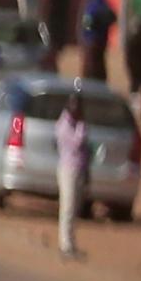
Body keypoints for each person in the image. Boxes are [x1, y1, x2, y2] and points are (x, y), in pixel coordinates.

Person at [52, 93, 88, 259]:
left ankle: (71, 243)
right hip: (68, 169)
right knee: (67, 207)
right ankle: (65, 244)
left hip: (78, 168)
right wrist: (81, 126)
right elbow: (76, 142)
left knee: (74, 209)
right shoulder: (64, 125)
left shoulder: (75, 123)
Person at [77, 0, 116, 81]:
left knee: (89, 69)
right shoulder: (104, 5)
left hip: (91, 42)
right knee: (100, 69)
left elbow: (86, 24)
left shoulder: (89, 5)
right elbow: (113, 18)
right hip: (100, 42)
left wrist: (87, 36)